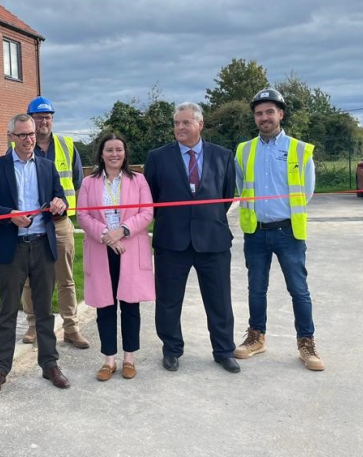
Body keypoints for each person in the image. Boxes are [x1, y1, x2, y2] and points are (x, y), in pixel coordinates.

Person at [144, 102, 240, 374]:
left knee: (219, 299)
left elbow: (226, 196)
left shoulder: (223, 156)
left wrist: (205, 218)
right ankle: (171, 349)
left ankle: (224, 351)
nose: (180, 128)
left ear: (200, 124)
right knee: (168, 300)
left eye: (186, 123)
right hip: (172, 241)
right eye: (176, 123)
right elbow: (151, 197)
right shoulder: (157, 158)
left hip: (213, 240)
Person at [234, 88, 324, 371]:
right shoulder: (244, 150)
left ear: (280, 114)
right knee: (256, 289)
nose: (264, 117)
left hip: (288, 232)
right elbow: (240, 188)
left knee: (299, 290)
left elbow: (306, 191)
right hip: (256, 232)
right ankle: (256, 337)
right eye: (259, 113)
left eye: (270, 112)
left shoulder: (299, 149)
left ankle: (306, 344)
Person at [0, 113, 71, 395]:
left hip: (42, 246)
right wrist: (10, 215)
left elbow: (62, 200)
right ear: (11, 137)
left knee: (45, 310)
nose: (29, 139)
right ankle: (0, 369)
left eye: (31, 134)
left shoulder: (46, 167)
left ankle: (49, 364)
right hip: (12, 248)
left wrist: (60, 204)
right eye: (22, 135)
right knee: (8, 311)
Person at [77, 133, 155, 381]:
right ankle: (109, 359)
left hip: (129, 248)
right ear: (101, 153)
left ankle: (129, 358)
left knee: (130, 305)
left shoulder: (138, 180)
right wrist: (106, 236)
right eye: (109, 150)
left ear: (125, 153)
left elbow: (147, 212)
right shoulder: (89, 182)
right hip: (102, 249)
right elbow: (83, 215)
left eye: (118, 149)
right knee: (105, 306)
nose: (114, 154)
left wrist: (121, 232)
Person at [20, 96, 89, 348]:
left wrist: (64, 204)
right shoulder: (19, 148)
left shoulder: (67, 145)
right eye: (38, 118)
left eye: (47, 117)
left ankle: (71, 328)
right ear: (30, 120)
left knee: (66, 278)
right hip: (32, 225)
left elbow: (77, 182)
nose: (43, 122)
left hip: (60, 224)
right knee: (31, 279)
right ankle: (34, 326)